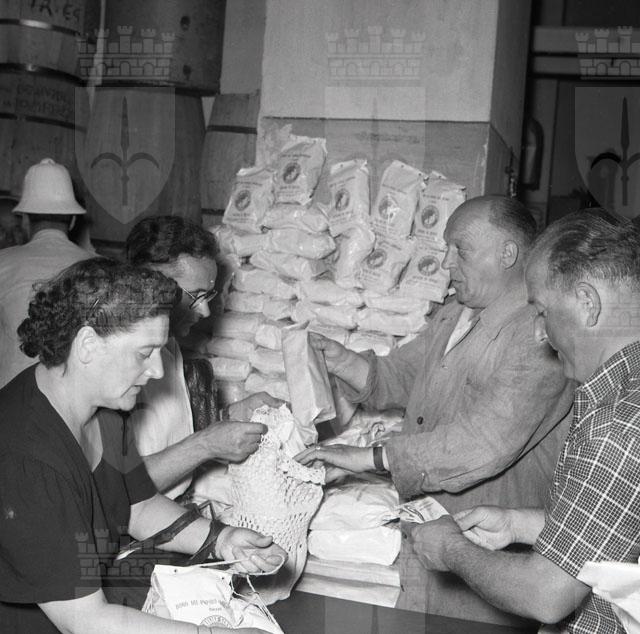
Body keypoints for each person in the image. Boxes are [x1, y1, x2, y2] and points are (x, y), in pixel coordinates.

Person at [297, 195, 575, 622]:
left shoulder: (539, 334)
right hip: (428, 538)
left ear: (507, 254)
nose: (446, 262)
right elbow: (401, 376)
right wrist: (342, 360)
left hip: (485, 556)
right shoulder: (455, 314)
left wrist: (374, 457)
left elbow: (484, 441)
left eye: (460, 249)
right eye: (446, 248)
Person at [0, 257, 285, 634]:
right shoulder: (27, 459)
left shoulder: (103, 407)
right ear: (87, 344)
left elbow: (137, 505)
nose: (157, 371)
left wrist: (221, 539)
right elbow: (83, 621)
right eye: (143, 353)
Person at [409, 212, 640, 633]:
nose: (539, 334)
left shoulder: (617, 425)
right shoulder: (623, 392)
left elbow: (545, 594)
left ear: (588, 303)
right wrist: (518, 523)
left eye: (543, 312)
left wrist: (451, 551)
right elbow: (615, 523)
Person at [125, 216, 281, 499]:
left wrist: (230, 417)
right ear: (150, 285)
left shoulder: (168, 345)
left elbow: (169, 439)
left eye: (208, 296)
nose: (206, 312)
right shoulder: (116, 362)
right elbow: (117, 488)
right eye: (195, 296)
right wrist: (206, 445)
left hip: (168, 507)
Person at [0, 159, 93, 388]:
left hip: (10, 397)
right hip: (76, 399)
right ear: (73, 220)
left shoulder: (3, 262)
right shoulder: (101, 268)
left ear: (24, 219)